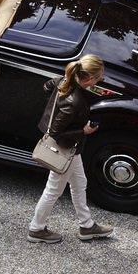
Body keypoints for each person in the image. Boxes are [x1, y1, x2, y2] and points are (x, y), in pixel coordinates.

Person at [29, 55, 115, 244]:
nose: (100, 80)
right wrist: (83, 130)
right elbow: (57, 132)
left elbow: (47, 87)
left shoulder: (64, 81)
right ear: (90, 78)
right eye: (99, 77)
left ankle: (86, 225)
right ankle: (36, 229)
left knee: (79, 183)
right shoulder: (74, 100)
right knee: (53, 190)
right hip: (64, 149)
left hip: (71, 148)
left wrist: (54, 106)